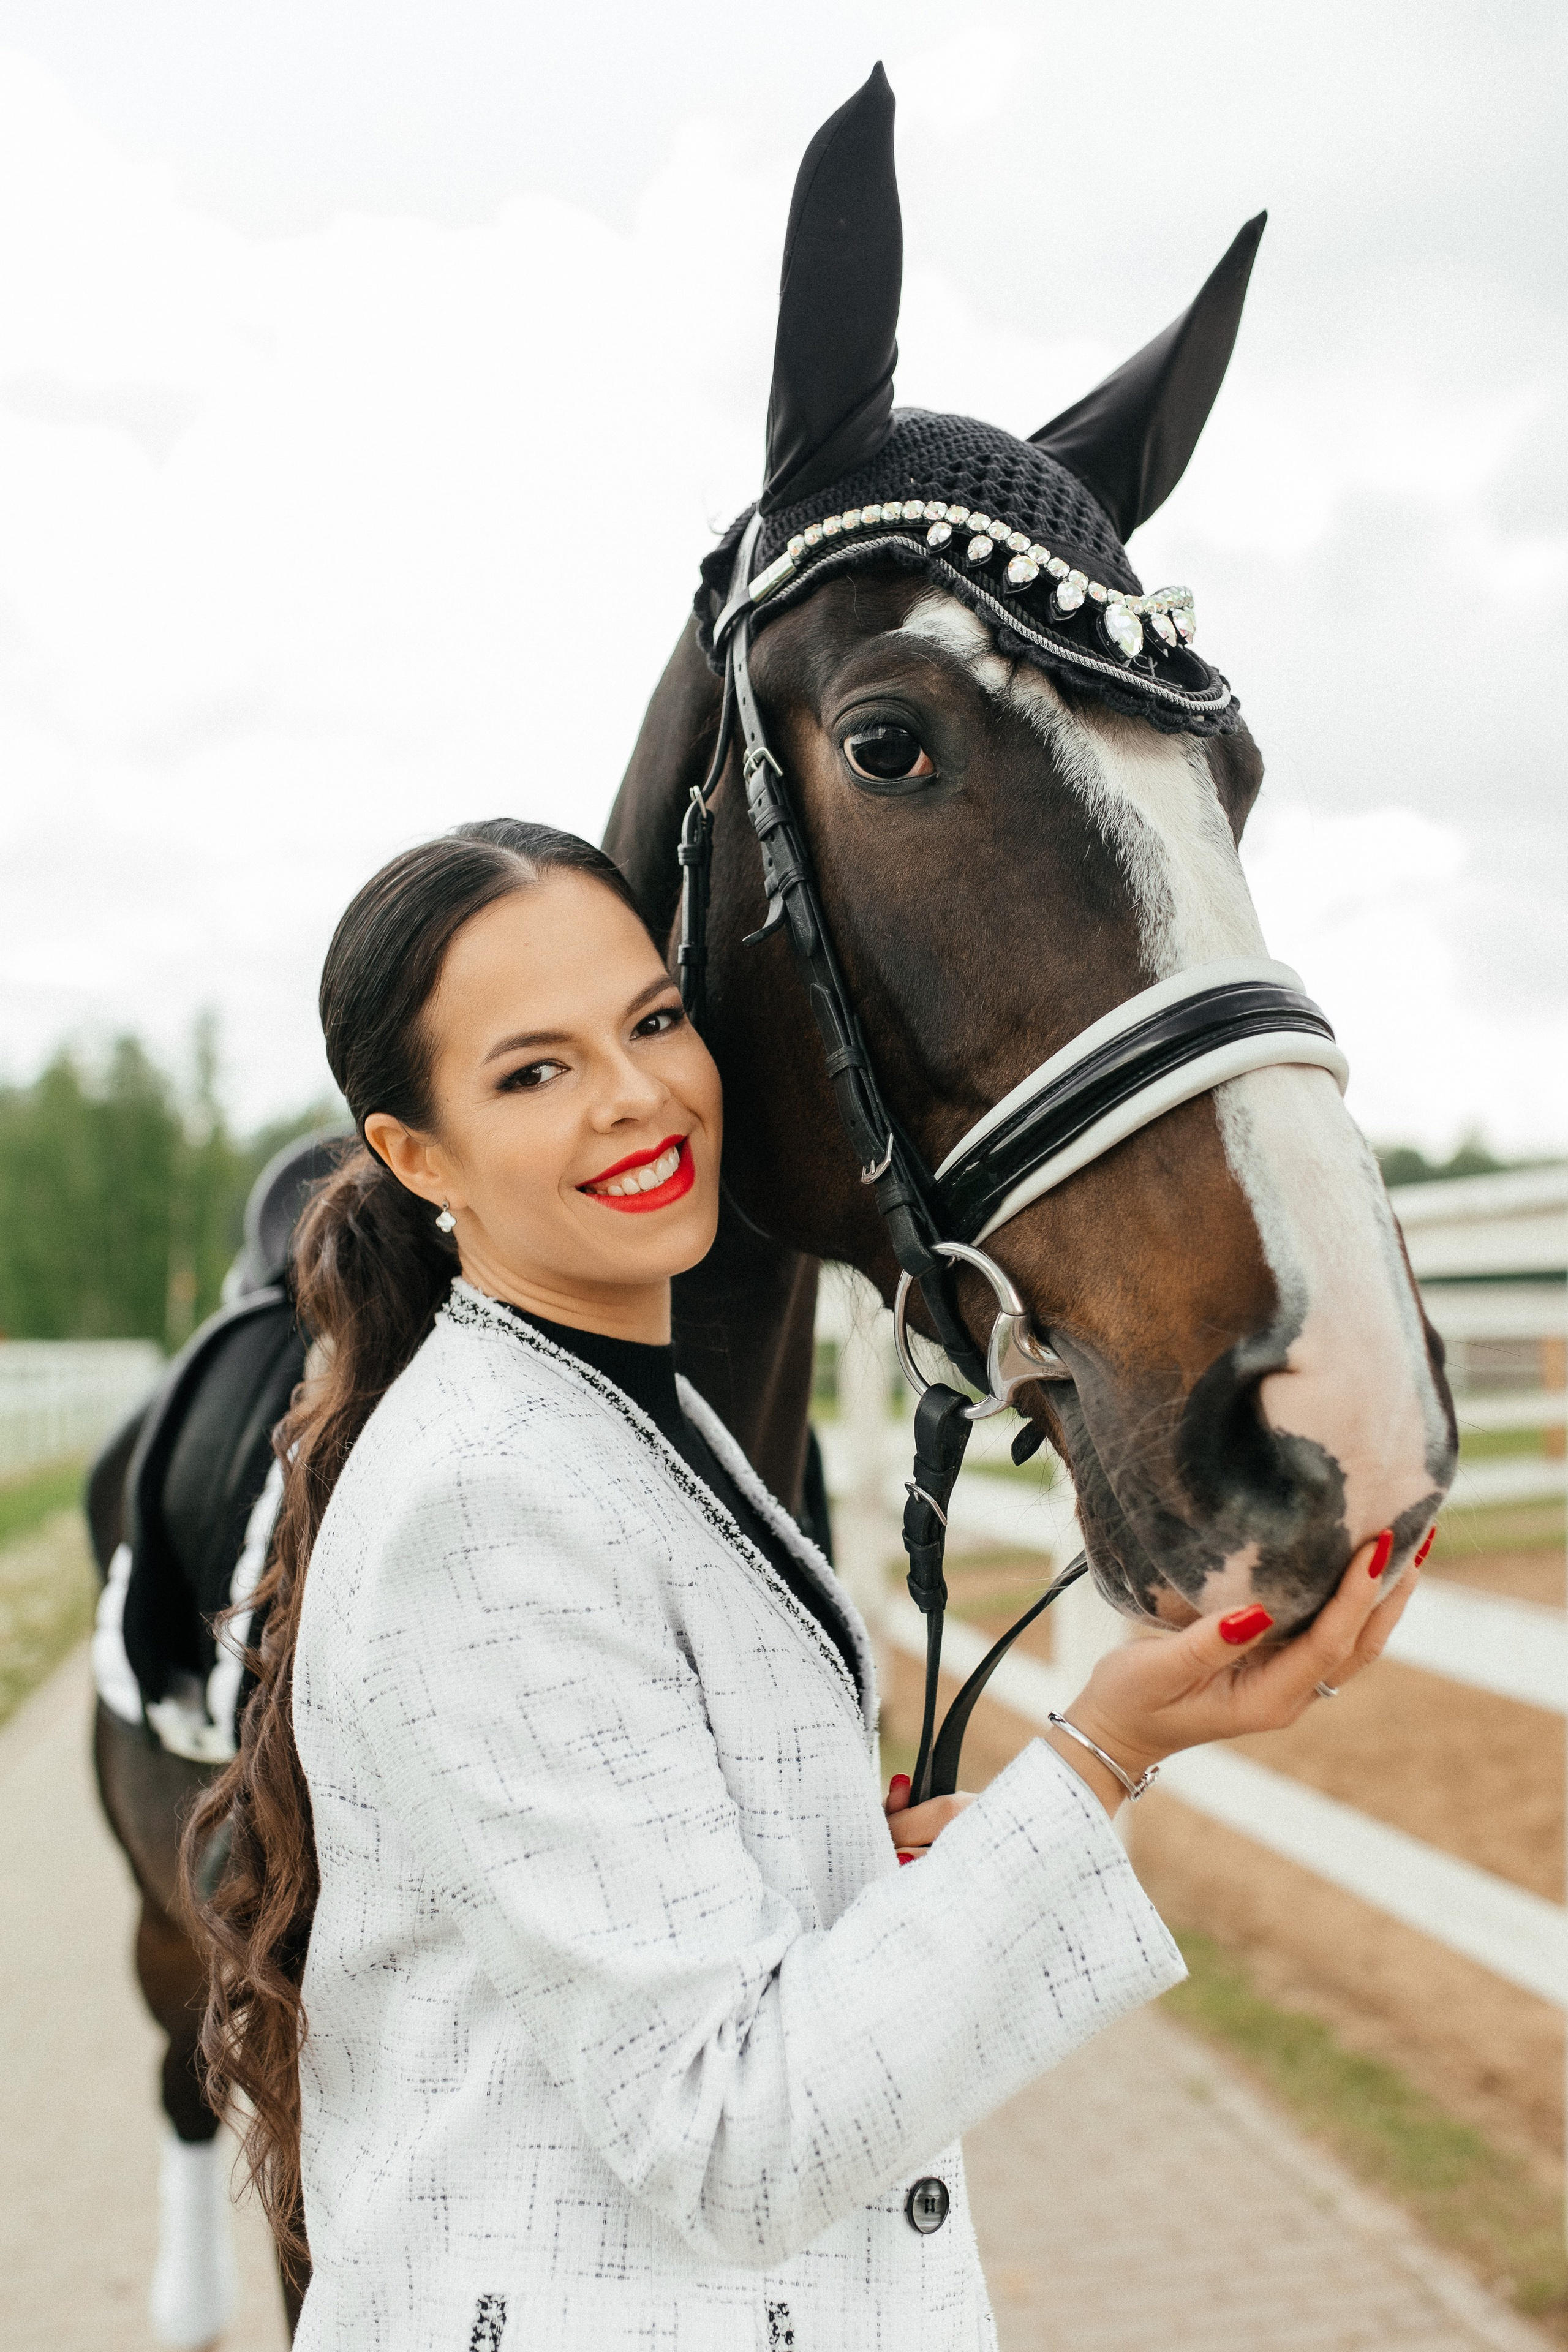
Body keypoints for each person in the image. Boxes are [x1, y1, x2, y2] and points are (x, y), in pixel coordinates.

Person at [187, 817, 1418, 2351]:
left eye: (650, 1023)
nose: (637, 1098)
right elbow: (728, 2139)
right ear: (414, 1155)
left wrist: (844, 1865)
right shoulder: (486, 1498)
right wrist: (1102, 1754)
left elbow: (653, 1953)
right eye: (534, 1071)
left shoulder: (615, 1404)